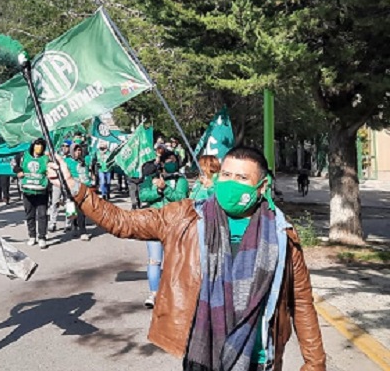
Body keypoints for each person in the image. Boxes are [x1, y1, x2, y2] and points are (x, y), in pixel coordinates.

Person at [47, 146, 326, 370]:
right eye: (226, 175)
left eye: (242, 178)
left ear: (262, 186)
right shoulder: (186, 217)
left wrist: (315, 363)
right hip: (201, 355)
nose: (230, 183)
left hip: (258, 359)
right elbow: (122, 222)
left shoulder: (281, 234)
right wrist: (74, 187)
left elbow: (301, 302)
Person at [139, 152, 189, 308]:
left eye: (174, 161)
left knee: (173, 260)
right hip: (154, 223)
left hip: (174, 225)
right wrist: (157, 191)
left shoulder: (181, 180)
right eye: (168, 161)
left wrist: (165, 188)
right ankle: (154, 294)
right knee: (154, 261)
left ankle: (173, 294)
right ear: (161, 163)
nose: (171, 163)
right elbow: (143, 195)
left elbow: (181, 198)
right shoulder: (151, 178)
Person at [12, 137, 51, 249]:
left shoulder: (46, 158)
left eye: (41, 145)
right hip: (27, 191)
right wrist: (18, 170)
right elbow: (13, 164)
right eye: (37, 144)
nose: (39, 147)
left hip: (42, 191)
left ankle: (42, 237)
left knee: (42, 215)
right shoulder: (23, 156)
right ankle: (32, 236)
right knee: (30, 215)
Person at [65, 144, 93, 241]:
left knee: (82, 211)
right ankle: (74, 226)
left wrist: (90, 181)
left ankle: (83, 232)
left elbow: (87, 173)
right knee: (72, 211)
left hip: (83, 188)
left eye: (79, 150)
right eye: (76, 150)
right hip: (72, 188)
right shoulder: (67, 161)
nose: (78, 152)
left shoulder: (83, 161)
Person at [48, 141, 72, 232]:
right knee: (55, 202)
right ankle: (52, 223)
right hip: (57, 182)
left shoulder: (72, 158)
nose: (64, 148)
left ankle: (68, 223)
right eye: (63, 146)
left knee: (69, 203)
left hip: (68, 183)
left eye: (67, 146)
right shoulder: (57, 157)